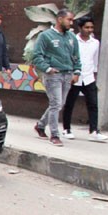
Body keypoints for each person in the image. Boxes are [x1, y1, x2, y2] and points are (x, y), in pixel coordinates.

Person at [33, 9, 81, 147]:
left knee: (59, 104)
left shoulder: (72, 37)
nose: (71, 23)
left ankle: (40, 125)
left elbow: (76, 56)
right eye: (69, 20)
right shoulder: (45, 36)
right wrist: (48, 69)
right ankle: (55, 134)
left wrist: (77, 71)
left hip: (68, 74)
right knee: (56, 104)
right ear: (60, 19)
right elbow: (37, 56)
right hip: (53, 75)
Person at [61, 16, 108, 142]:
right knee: (70, 103)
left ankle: (93, 131)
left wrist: (95, 75)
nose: (89, 30)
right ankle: (66, 129)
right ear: (80, 28)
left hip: (89, 77)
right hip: (75, 77)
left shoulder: (95, 43)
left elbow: (95, 60)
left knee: (93, 104)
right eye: (87, 27)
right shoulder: (72, 41)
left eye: (91, 27)